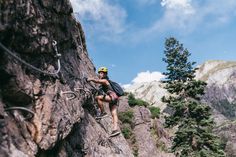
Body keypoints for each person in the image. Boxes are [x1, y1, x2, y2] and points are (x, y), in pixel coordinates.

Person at [87, 67, 120, 137]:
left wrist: (90, 79)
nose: (99, 74)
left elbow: (97, 81)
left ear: (105, 74)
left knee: (98, 98)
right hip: (115, 98)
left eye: (101, 73)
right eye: (99, 73)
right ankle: (115, 129)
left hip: (112, 97)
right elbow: (100, 88)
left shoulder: (105, 80)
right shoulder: (106, 83)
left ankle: (103, 113)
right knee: (114, 114)